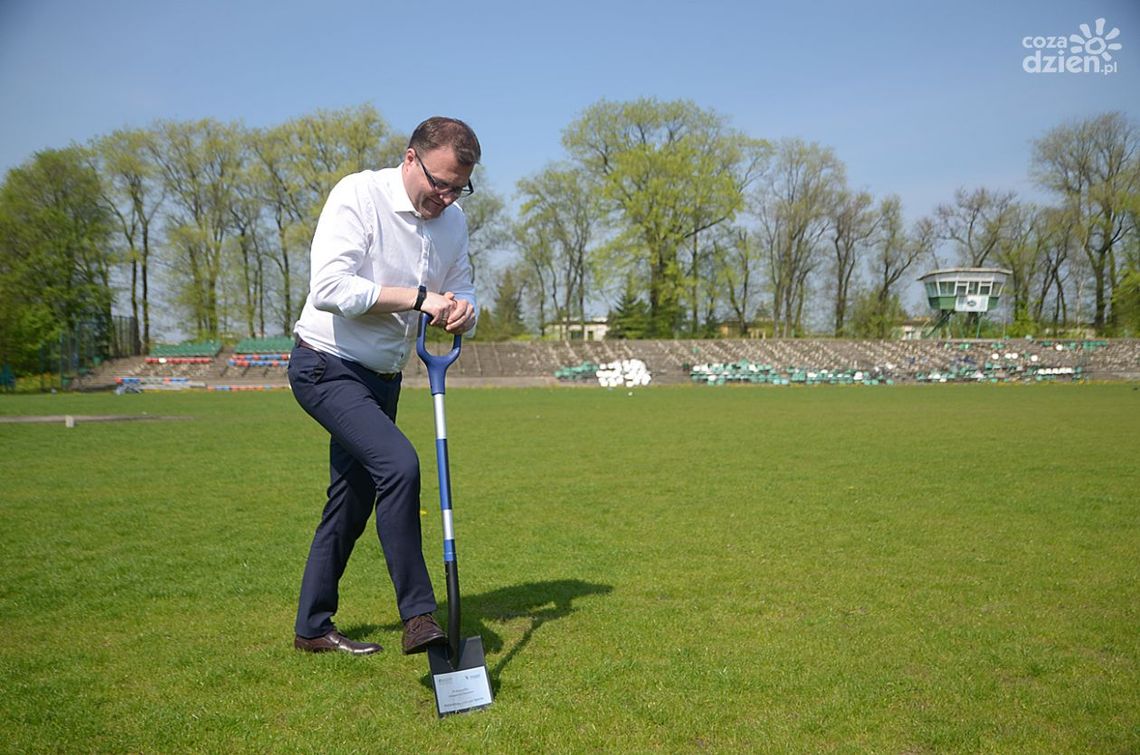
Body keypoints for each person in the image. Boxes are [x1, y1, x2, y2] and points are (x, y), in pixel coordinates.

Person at [287, 116, 480, 656]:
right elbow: (330, 288)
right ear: (411, 158)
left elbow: (461, 286)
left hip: (384, 377)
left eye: (458, 187)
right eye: (438, 183)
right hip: (325, 364)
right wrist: (420, 299)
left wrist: (464, 311)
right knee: (399, 465)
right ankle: (419, 615)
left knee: (350, 501)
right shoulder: (359, 195)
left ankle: (311, 629)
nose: (445, 196)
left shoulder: (453, 221)